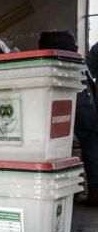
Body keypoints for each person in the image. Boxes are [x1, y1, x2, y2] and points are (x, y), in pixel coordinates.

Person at [38, 31, 98, 207]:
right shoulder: (76, 61)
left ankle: (57, 190)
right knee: (89, 141)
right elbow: (90, 74)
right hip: (79, 88)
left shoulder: (44, 62)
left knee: (51, 141)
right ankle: (94, 191)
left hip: (51, 89)